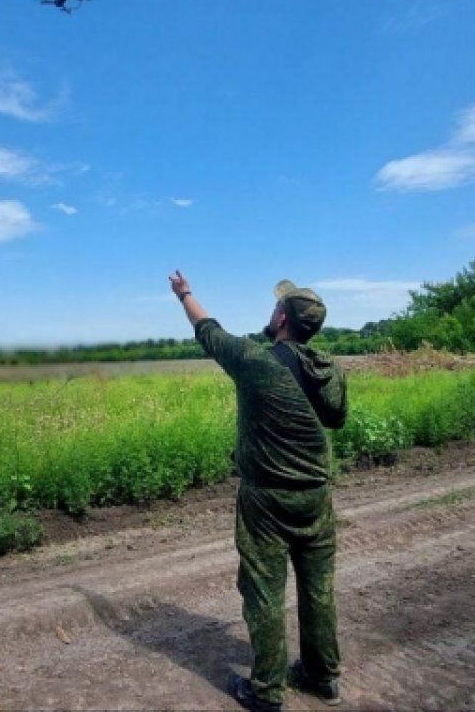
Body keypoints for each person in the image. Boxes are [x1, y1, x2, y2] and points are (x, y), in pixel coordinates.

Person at [168, 270, 348, 712]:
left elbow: (207, 331)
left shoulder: (255, 361)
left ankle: (267, 690)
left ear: (282, 318)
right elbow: (336, 419)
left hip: (266, 500)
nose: (271, 312)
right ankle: (323, 677)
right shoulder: (327, 368)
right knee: (318, 587)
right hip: (316, 496)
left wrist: (185, 293)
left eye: (276, 307)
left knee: (264, 590)